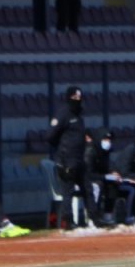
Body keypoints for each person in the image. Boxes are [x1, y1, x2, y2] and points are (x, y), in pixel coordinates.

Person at [46, 86, 88, 229]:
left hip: (79, 160)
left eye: (79, 98)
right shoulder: (63, 114)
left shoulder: (79, 115)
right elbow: (50, 136)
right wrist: (63, 149)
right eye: (74, 98)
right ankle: (68, 221)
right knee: (67, 191)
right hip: (66, 160)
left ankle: (95, 218)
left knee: (87, 188)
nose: (77, 100)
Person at [83, 128, 120, 226]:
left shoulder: (105, 152)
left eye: (109, 140)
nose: (108, 142)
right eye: (105, 140)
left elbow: (106, 168)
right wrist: (105, 176)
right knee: (98, 185)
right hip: (87, 179)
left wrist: (113, 173)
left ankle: (107, 215)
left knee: (113, 184)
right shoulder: (90, 151)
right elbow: (88, 173)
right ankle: (92, 217)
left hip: (100, 177)